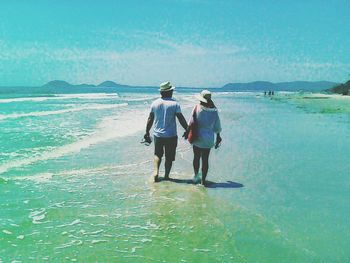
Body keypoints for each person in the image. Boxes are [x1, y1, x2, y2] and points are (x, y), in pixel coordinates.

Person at [144, 81, 188, 182]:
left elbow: (150, 118)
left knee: (157, 154)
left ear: (161, 92)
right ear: (169, 92)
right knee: (169, 157)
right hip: (171, 135)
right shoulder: (175, 104)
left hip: (158, 134)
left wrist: (147, 132)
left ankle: (156, 172)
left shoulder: (155, 103)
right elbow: (180, 118)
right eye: (171, 90)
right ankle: (166, 176)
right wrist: (187, 129)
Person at [187, 90, 222, 186]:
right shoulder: (214, 111)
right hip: (209, 139)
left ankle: (196, 176)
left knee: (196, 157)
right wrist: (218, 137)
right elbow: (217, 126)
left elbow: (191, 123)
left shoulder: (197, 108)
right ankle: (203, 181)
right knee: (205, 160)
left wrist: (187, 132)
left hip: (197, 137)